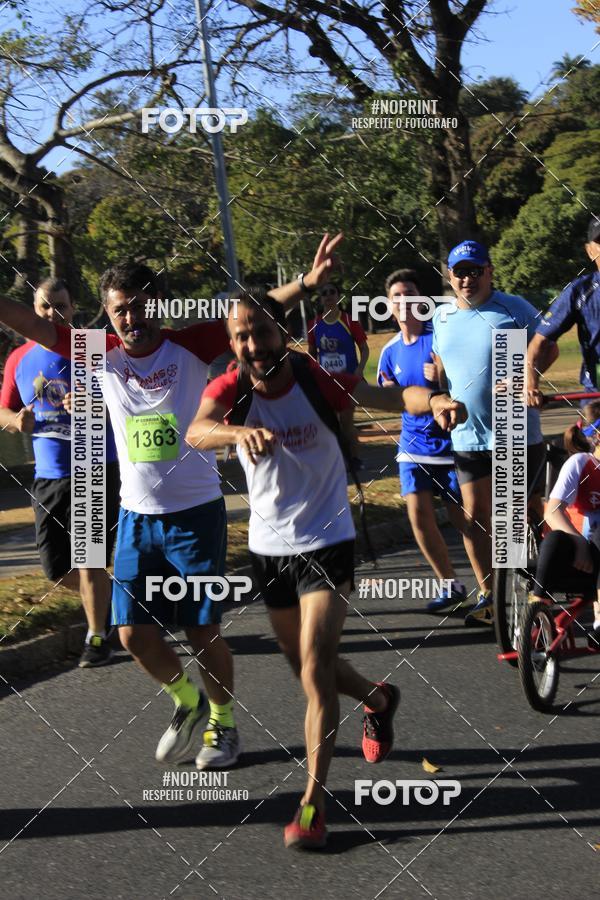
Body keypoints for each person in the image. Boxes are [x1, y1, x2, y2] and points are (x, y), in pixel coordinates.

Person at [0, 234, 343, 771]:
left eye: (138, 307)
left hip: (195, 514)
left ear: (154, 306)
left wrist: (307, 284)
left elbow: (251, 315)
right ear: (107, 314)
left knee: (201, 630)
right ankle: (188, 702)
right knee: (132, 633)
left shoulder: (192, 345)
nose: (129, 319)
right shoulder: (97, 351)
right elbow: (35, 326)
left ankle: (224, 726)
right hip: (137, 517)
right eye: (119, 311)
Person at [186, 290, 467, 848]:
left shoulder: (313, 375)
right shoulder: (233, 387)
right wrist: (238, 433)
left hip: (327, 538)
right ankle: (379, 699)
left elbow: (383, 395)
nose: (251, 344)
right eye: (240, 336)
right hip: (270, 549)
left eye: (261, 332)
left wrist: (431, 400)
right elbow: (195, 429)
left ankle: (313, 806)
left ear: (281, 330)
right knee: (308, 668)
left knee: (315, 673)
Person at [0, 278, 120, 667]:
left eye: (62, 307)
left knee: (89, 559)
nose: (53, 314)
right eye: (45, 307)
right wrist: (16, 421)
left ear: (74, 310)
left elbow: (133, 399)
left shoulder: (94, 347)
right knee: (55, 568)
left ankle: (97, 638)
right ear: (34, 311)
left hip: (95, 468)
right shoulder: (19, 359)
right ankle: (114, 597)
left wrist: (95, 402)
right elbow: (3, 410)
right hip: (48, 474)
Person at [432, 240, 546, 626]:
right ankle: (490, 596)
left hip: (513, 432)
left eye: (474, 270)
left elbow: (544, 349)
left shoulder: (513, 309)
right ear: (450, 275)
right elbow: (439, 363)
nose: (467, 278)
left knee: (512, 522)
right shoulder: (443, 317)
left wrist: (527, 376)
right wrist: (441, 397)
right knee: (473, 516)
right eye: (459, 271)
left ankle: (530, 594)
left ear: (489, 271)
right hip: (467, 435)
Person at [377, 269, 467, 613]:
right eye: (397, 296)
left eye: (410, 293)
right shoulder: (389, 351)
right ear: (389, 304)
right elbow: (387, 395)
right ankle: (451, 586)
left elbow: (463, 387)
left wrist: (441, 377)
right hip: (413, 448)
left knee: (465, 521)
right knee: (418, 517)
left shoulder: (438, 339)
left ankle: (492, 588)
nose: (404, 301)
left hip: (450, 445)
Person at [529, 401, 600, 636]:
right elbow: (552, 510)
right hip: (575, 556)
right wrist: (578, 541)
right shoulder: (581, 463)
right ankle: (536, 607)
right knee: (555, 538)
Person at [528, 217, 600, 405]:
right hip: (596, 400)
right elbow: (538, 343)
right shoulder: (580, 291)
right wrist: (530, 385)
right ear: (590, 251)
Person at [308, 281, 369, 465]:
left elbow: (364, 349)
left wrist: (359, 370)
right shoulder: (314, 323)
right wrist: (312, 372)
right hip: (326, 382)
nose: (328, 295)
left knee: (347, 421)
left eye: (332, 291)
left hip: (347, 380)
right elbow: (312, 352)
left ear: (338, 295)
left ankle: (355, 458)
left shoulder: (350, 320)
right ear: (320, 298)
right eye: (324, 292)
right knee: (330, 422)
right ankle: (336, 459)